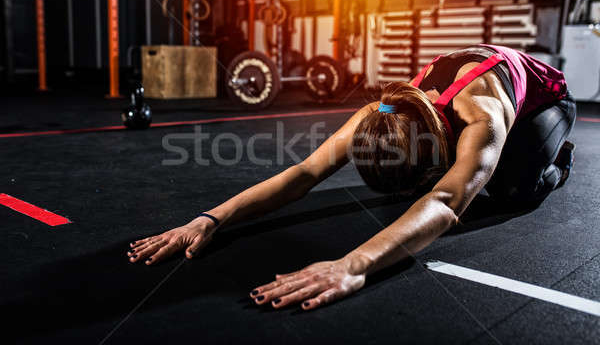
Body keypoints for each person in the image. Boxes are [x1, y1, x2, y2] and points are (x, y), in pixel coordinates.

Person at [126, 44, 576, 311]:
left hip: (543, 106)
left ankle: (557, 166)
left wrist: (352, 265)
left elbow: (444, 202)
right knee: (442, 187)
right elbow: (305, 173)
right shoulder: (379, 114)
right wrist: (210, 218)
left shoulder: (483, 114)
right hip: (450, 126)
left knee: (505, 192)